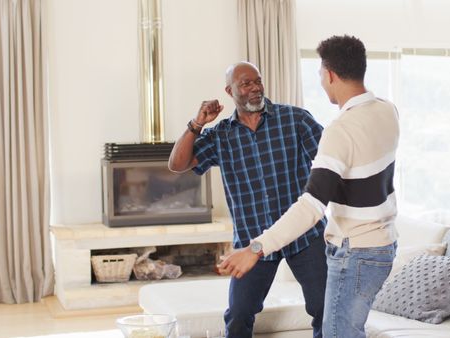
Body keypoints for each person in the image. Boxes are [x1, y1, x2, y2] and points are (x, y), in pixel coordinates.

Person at [219, 35, 400, 338]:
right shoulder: (387, 110)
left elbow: (312, 206)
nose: (320, 80)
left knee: (337, 333)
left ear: (330, 75)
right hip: (384, 246)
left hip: (355, 249)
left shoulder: (339, 130)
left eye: (319, 73)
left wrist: (256, 247)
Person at [168, 61, 327, 338]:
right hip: (252, 242)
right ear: (230, 91)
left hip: (303, 234)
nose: (255, 88)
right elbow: (177, 164)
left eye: (258, 81)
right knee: (239, 314)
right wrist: (197, 124)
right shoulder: (220, 136)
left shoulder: (295, 119)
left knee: (324, 307)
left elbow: (331, 159)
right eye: (246, 83)